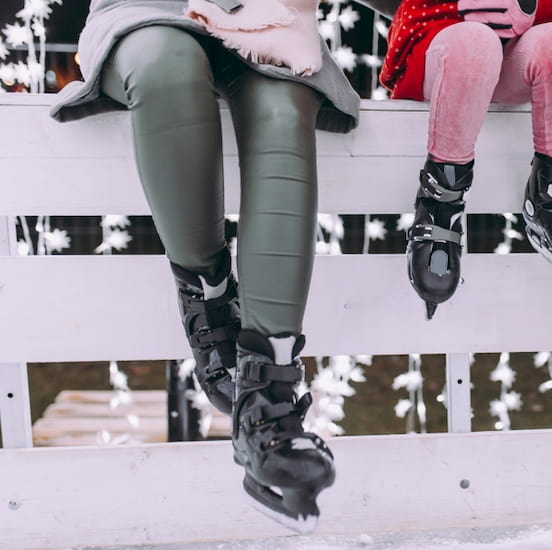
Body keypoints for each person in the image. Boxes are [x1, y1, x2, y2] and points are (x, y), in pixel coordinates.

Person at [50, 0, 360, 530]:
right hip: (148, 12)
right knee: (165, 67)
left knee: (284, 108)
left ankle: (269, 400)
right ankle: (208, 295)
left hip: (268, 18)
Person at [378, 0, 552, 319]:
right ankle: (440, 203)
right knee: (474, 43)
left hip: (518, 45)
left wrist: (527, 5)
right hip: (442, 37)